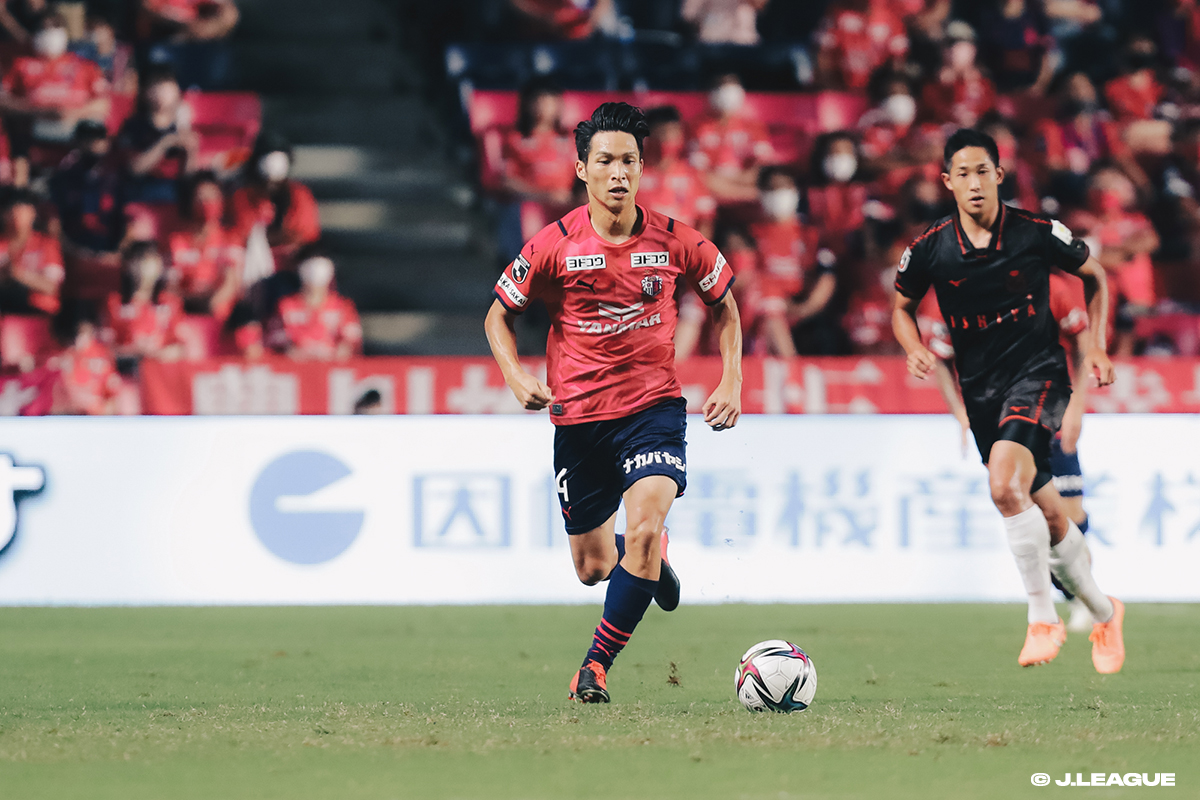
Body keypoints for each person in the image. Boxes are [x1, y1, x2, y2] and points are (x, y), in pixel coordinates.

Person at [484, 102, 742, 703]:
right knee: (594, 568)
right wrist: (517, 378)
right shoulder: (553, 245)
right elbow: (498, 316)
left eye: (628, 160)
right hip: (578, 419)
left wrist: (731, 380)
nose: (618, 172)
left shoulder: (677, 241)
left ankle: (594, 668)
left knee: (647, 524)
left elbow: (725, 305)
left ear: (642, 167)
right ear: (582, 169)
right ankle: (638, 555)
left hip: (652, 409)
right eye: (605, 161)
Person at [892, 128, 1125, 673]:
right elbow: (900, 307)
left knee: (1003, 485)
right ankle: (1103, 610)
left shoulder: (1036, 232)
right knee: (1049, 513)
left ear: (999, 176)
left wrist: (1095, 345)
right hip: (981, 393)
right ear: (946, 182)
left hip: (1038, 376)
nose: (974, 183)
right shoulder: (930, 249)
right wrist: (912, 348)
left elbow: (1095, 276)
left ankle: (1042, 617)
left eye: (983, 172)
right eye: (962, 174)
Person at [927, 269, 1097, 632]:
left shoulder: (1053, 287)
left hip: (1049, 412)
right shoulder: (960, 291)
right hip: (1000, 422)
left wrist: (1077, 405)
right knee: (1034, 516)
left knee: (1070, 514)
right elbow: (940, 357)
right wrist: (960, 413)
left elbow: (1083, 345)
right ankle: (1063, 600)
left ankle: (1082, 597)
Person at [0, 11, 111, 177]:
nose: (50, 33)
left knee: (98, 135)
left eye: (55, 27)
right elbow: (4, 101)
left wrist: (70, 114)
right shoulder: (21, 65)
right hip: (34, 130)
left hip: (77, 131)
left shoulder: (85, 66)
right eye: (44, 28)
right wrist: (39, 112)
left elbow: (104, 103)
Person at [749, 167, 838, 356]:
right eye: (772, 189)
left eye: (784, 188)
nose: (778, 194)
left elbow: (827, 276)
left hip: (804, 307)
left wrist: (804, 309)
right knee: (768, 300)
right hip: (765, 307)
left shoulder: (810, 233)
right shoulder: (752, 233)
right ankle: (789, 365)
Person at [501, 78, 577, 245]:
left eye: (550, 102)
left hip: (567, 209)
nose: (544, 108)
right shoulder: (515, 140)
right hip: (530, 209)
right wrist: (544, 196)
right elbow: (508, 182)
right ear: (528, 105)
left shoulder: (572, 141)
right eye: (539, 102)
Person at [116, 65, 198, 203]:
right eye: (157, 87)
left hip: (175, 192)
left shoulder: (181, 126)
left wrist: (191, 151)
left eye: (169, 87)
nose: (163, 93)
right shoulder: (133, 126)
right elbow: (135, 169)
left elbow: (188, 175)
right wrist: (165, 143)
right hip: (141, 191)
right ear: (145, 92)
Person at [688, 73, 774, 204]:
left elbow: (763, 166)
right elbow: (698, 173)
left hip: (746, 185)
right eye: (721, 88)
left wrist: (737, 183)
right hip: (713, 189)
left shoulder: (754, 127)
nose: (727, 96)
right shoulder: (697, 128)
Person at [168, 170, 242, 320]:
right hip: (184, 313)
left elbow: (231, 284)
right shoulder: (177, 241)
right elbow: (171, 286)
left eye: (212, 197)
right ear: (190, 202)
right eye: (200, 198)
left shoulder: (231, 239)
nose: (207, 204)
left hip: (218, 315)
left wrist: (207, 307)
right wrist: (188, 306)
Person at [638, 106, 716, 241]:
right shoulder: (632, 174)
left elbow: (705, 220)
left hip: (683, 250)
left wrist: (696, 253)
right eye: (662, 132)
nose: (667, 138)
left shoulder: (692, 174)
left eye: (673, 132)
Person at [267, 251, 362, 361]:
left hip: (331, 366)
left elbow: (351, 341)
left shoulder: (342, 307)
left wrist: (336, 354)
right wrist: (294, 350)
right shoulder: (286, 306)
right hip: (296, 366)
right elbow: (275, 339)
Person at [0, 187, 64, 316]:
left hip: (37, 311)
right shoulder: (2, 245)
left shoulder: (46, 245)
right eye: (12, 211)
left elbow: (51, 287)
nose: (16, 217)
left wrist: (17, 274)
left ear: (32, 213)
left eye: (22, 211)